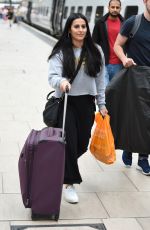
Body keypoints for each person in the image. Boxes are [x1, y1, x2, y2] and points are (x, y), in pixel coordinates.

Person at [48, 13, 108, 203]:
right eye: (76, 26)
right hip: (66, 102)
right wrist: (62, 81)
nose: (81, 30)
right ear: (69, 29)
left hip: (86, 103)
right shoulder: (60, 51)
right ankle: (70, 183)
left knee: (82, 142)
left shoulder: (96, 50)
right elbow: (52, 76)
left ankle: (61, 165)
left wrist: (102, 103)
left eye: (83, 26)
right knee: (70, 142)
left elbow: (100, 80)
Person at [114, 0, 150, 175]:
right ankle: (128, 148)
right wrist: (124, 59)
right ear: (145, 1)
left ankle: (143, 158)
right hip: (135, 76)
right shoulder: (133, 22)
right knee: (134, 116)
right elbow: (117, 45)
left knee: (148, 120)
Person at [92, 0, 124, 86]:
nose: (115, 9)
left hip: (119, 64)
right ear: (108, 8)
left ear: (120, 9)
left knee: (114, 92)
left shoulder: (125, 23)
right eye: (112, 7)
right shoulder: (100, 23)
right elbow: (94, 43)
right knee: (104, 91)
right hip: (104, 63)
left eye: (117, 7)